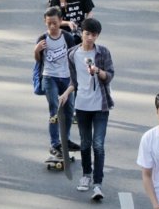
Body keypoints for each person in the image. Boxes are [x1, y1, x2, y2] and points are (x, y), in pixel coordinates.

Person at [59, 18, 114, 202]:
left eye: (94, 34)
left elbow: (109, 76)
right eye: (87, 33)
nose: (90, 37)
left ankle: (98, 184)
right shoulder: (72, 54)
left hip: (100, 106)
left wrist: (97, 71)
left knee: (98, 145)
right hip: (82, 105)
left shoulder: (103, 52)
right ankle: (86, 175)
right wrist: (66, 93)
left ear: (98, 36)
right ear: (81, 33)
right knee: (85, 143)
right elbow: (75, 81)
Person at [34, 7, 80, 159]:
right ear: (44, 22)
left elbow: (73, 57)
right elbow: (38, 61)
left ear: (61, 21)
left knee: (68, 110)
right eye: (49, 24)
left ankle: (65, 141)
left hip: (66, 78)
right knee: (54, 109)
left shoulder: (67, 37)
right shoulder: (42, 38)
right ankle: (54, 143)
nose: (52, 27)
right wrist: (36, 50)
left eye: (55, 23)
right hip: (50, 77)